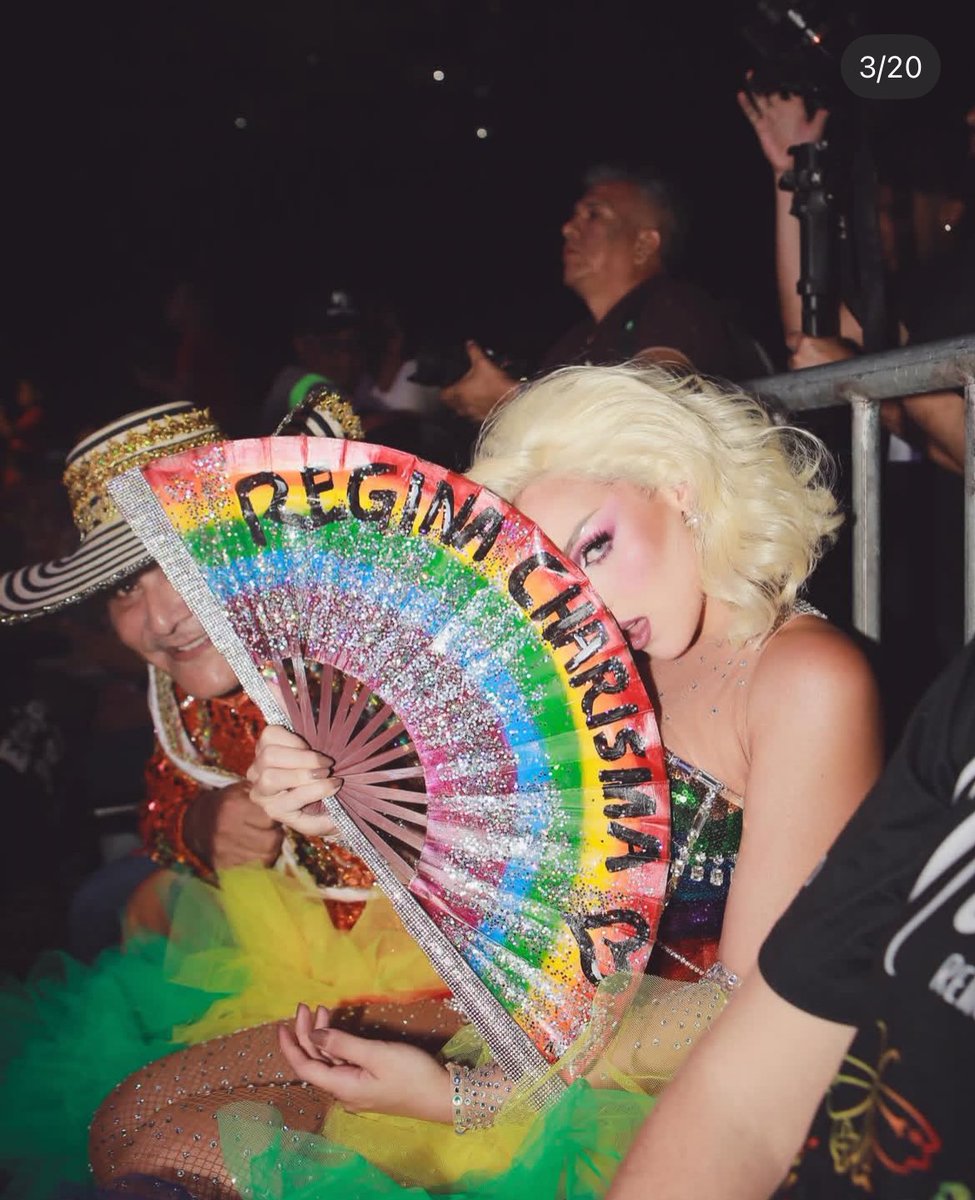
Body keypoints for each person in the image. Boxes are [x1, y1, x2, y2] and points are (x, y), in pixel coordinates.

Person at [89, 363, 882, 1199]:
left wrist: (462, 1095)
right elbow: (509, 880)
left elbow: (751, 1016)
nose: (588, 606)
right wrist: (339, 807)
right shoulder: (590, 660)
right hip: (547, 1019)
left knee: (171, 1154)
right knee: (126, 1119)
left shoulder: (804, 680)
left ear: (678, 488)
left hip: (668, 1086)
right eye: (556, 580)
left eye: (596, 546)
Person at [0, 393, 449, 1200]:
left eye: (179, 560)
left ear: (258, 541)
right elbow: (164, 803)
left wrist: (368, 814)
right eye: (124, 589)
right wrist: (209, 822)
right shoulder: (187, 688)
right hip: (288, 969)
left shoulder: (373, 639)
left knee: (151, 1147)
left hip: (455, 980)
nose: (161, 618)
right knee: (112, 1122)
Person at [606, 636, 975, 1200]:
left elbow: (745, 1033)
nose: (583, 596)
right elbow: (742, 1102)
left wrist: (515, 1075)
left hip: (622, 1097)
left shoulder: (807, 680)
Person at [440, 167, 749, 424]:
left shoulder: (675, 305)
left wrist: (511, 401)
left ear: (643, 245)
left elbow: (651, 407)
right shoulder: (573, 341)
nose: (567, 229)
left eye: (594, 215)